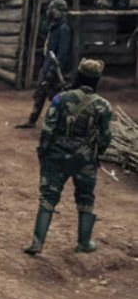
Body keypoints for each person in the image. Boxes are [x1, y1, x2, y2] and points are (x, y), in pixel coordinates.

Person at [23, 59, 112, 255]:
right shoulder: (103, 105)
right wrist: (96, 155)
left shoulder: (60, 99)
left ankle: (37, 242)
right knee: (85, 198)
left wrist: (43, 151)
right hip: (85, 159)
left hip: (57, 155)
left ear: (78, 75)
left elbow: (48, 129)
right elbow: (106, 137)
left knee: (48, 197)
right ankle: (84, 242)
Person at [15, 0, 73, 129]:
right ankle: (32, 120)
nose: (50, 11)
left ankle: (62, 124)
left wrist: (53, 70)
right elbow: (43, 29)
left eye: (53, 9)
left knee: (56, 97)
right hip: (47, 66)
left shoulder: (64, 28)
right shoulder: (53, 26)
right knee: (40, 94)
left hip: (56, 69)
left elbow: (63, 52)